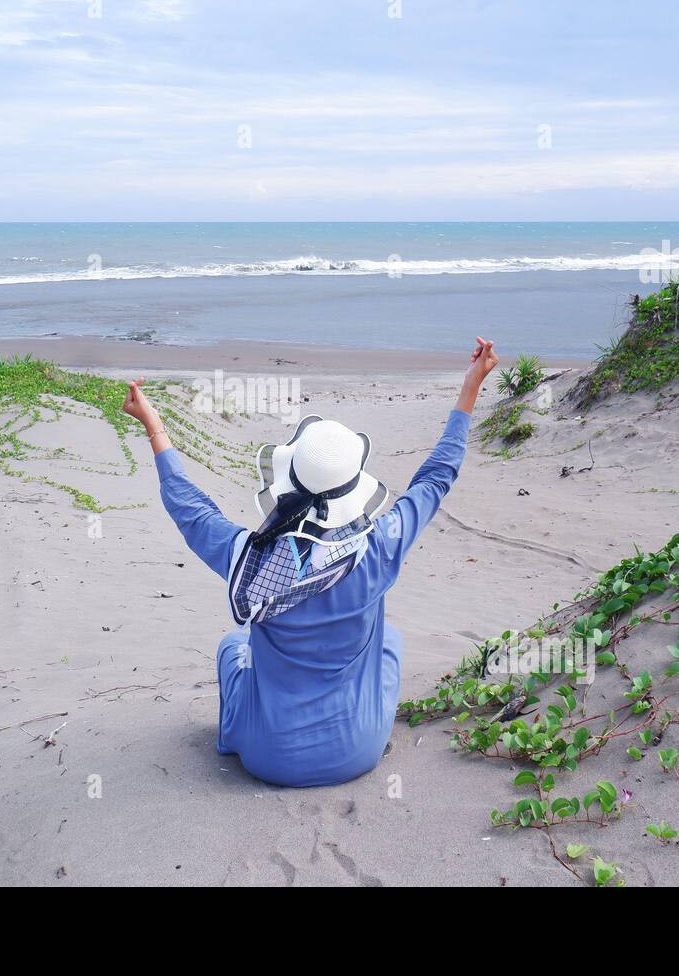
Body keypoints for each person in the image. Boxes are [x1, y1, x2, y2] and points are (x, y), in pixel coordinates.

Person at [123, 337, 498, 787]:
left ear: (288, 482)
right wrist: (471, 387)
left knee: (232, 647)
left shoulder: (251, 560)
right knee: (390, 642)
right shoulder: (380, 547)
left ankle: (234, 735)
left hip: (268, 757)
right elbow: (437, 476)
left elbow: (191, 510)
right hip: (359, 751)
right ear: (354, 486)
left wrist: (154, 424)